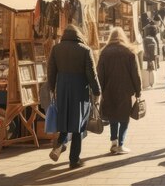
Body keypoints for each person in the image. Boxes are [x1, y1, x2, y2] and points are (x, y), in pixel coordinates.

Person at [47, 25, 101, 169]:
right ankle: (74, 160)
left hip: (63, 89)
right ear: (79, 35)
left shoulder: (56, 49)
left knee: (64, 120)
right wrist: (97, 91)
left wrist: (52, 88)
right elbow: (92, 74)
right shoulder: (85, 50)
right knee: (78, 124)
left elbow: (51, 71)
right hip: (79, 89)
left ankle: (58, 145)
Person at [97, 27, 141, 155]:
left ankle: (113, 142)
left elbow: (100, 75)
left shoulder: (104, 53)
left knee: (113, 117)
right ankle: (121, 144)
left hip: (109, 90)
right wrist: (138, 91)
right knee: (124, 118)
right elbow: (135, 74)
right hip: (125, 91)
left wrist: (99, 91)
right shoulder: (129, 52)